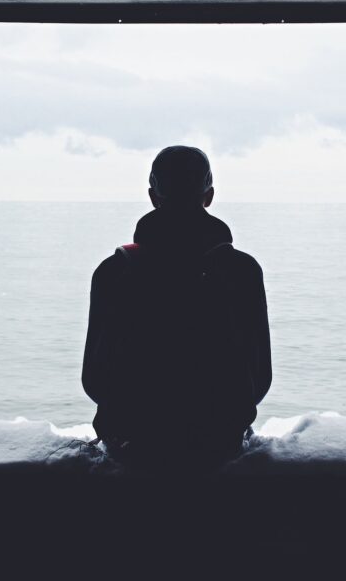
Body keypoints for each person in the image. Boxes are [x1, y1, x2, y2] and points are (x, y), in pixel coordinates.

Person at [82, 145, 272, 472]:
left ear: (153, 196)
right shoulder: (243, 271)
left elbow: (94, 380)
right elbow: (260, 378)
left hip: (132, 442)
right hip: (217, 442)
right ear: (209, 196)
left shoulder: (114, 271)